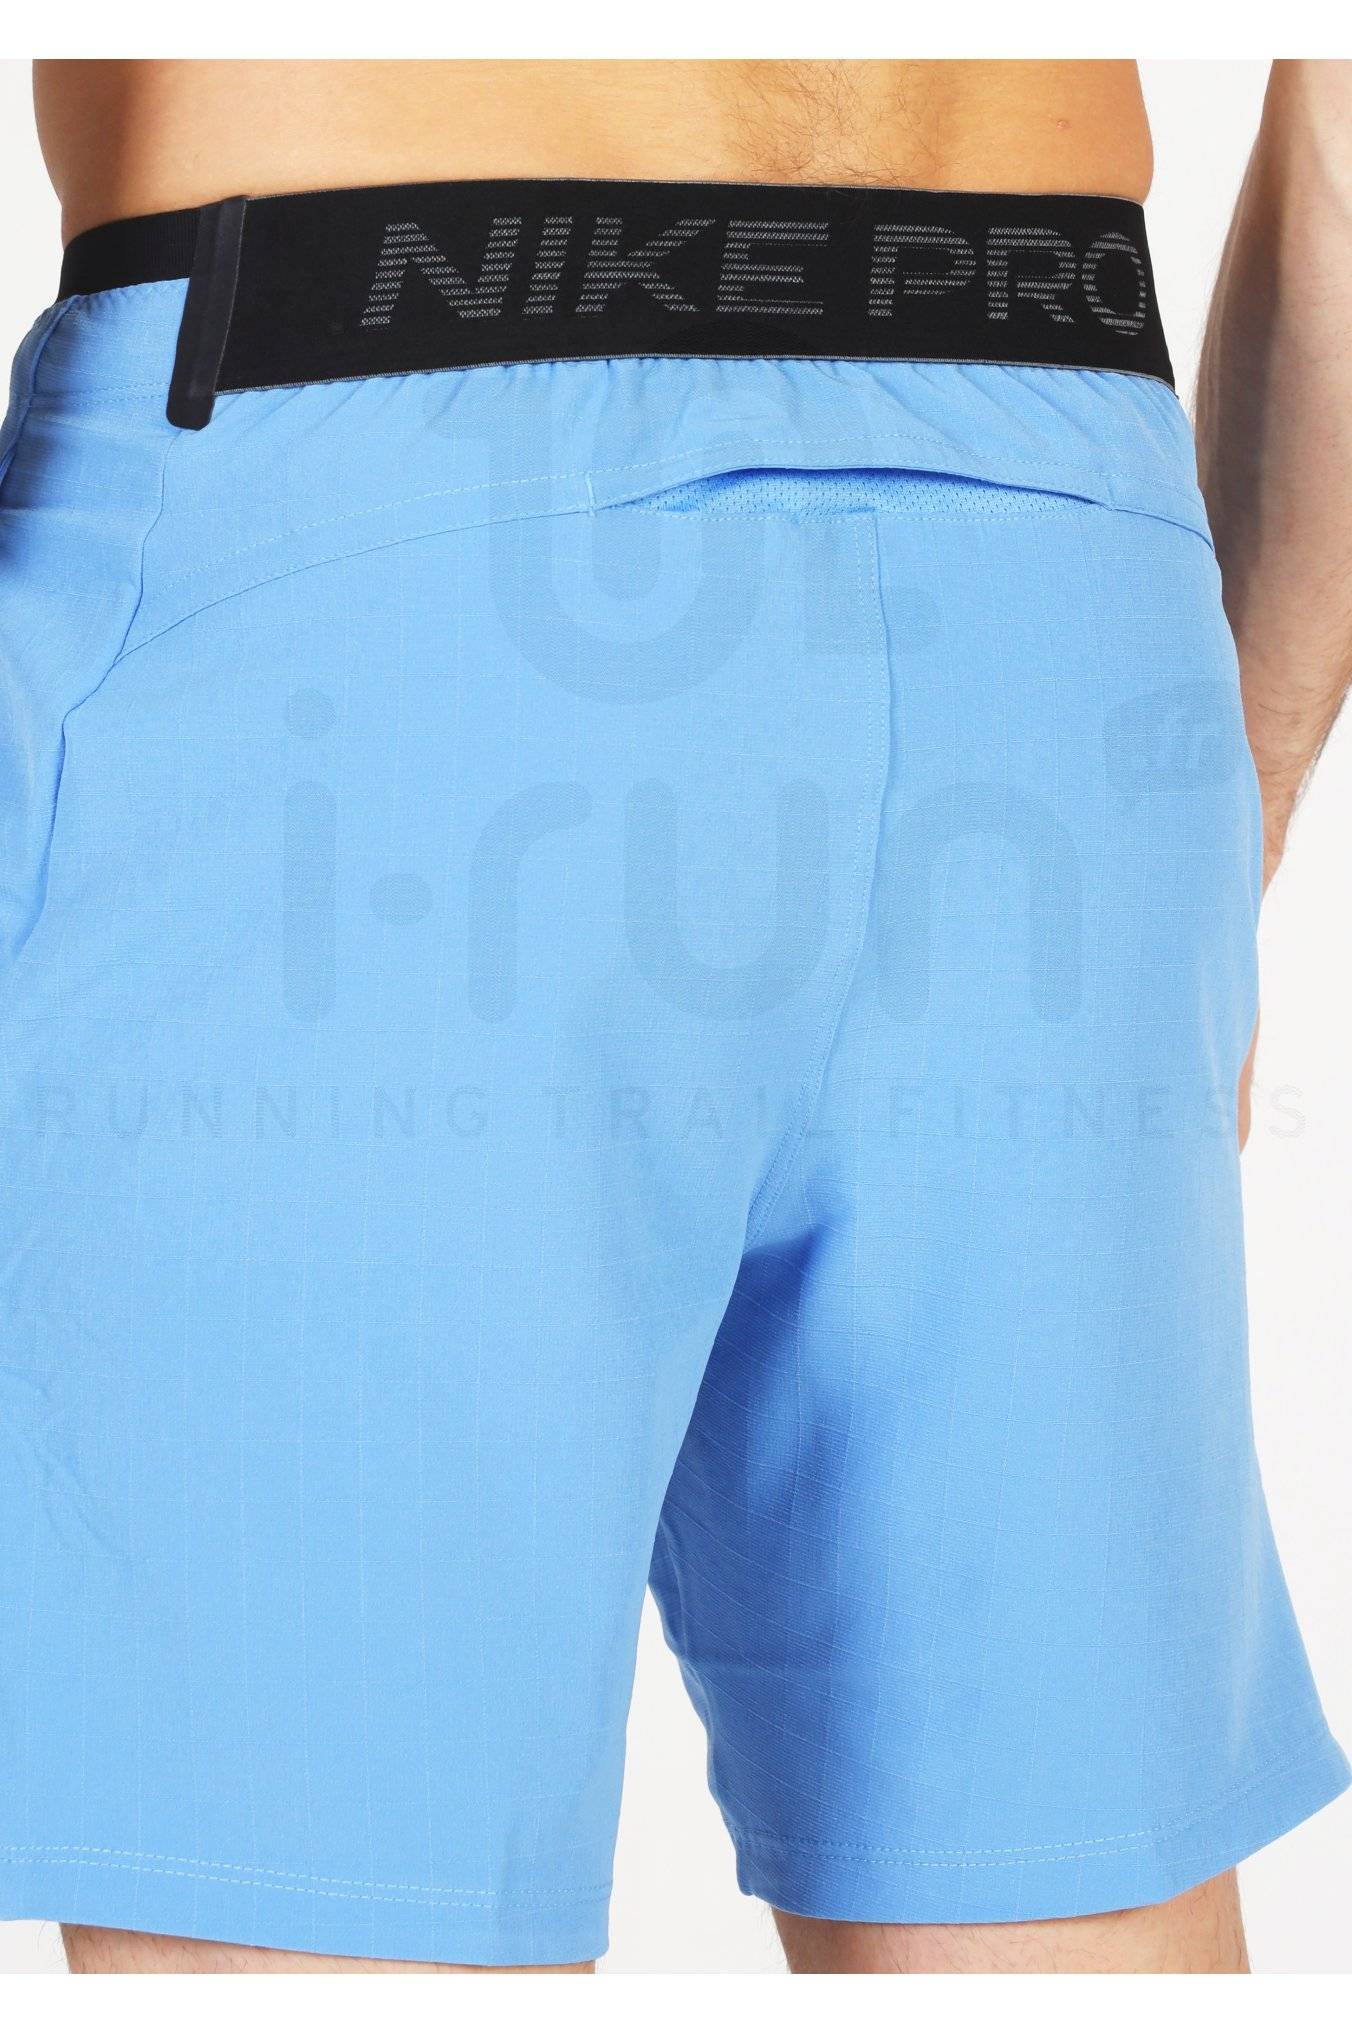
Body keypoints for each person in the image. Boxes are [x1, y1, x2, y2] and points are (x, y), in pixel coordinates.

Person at [0, 58, 1345, 1977]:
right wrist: (1234, 807)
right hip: (1052, 550)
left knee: (324, 1904)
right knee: (1060, 1901)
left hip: (354, 545)